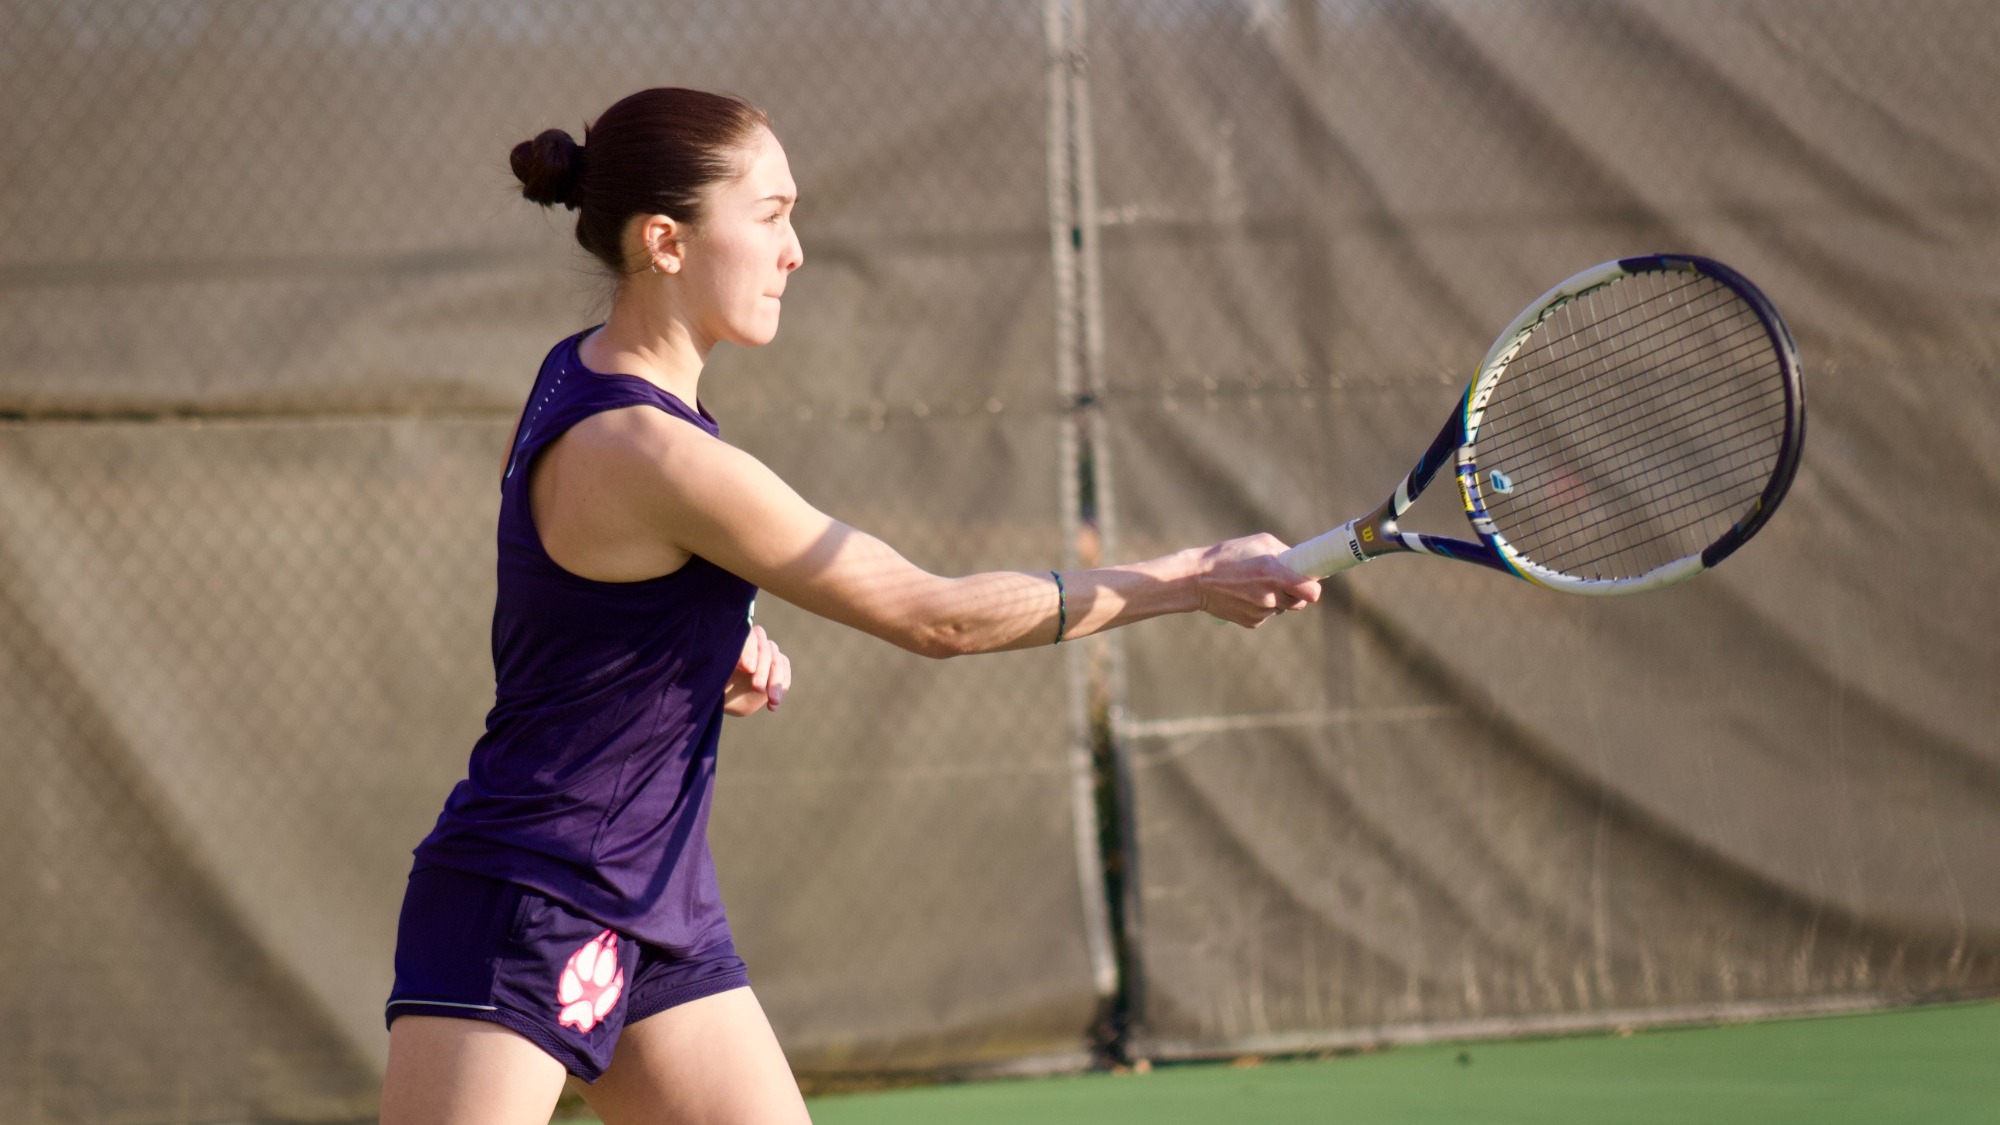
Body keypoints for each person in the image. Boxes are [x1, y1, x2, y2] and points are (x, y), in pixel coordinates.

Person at [378, 87, 1321, 1125]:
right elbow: (936, 618)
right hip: (528, 898)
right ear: (666, 242)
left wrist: (708, 633)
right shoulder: (649, 449)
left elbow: (581, 587)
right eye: (770, 214)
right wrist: (1190, 578)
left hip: (656, 907)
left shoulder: (583, 371)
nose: (795, 252)